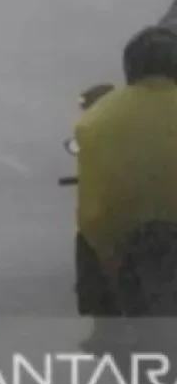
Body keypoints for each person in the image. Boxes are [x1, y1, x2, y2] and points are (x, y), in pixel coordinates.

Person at [74, 25, 177, 349]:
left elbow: (92, 213)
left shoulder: (96, 120)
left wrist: (107, 254)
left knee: (86, 238)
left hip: (127, 236)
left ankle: (104, 327)